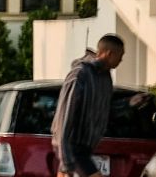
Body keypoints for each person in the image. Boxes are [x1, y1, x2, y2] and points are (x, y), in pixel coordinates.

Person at [54, 35, 128, 177]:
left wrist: (129, 103)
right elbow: (65, 116)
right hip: (71, 147)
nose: (121, 60)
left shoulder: (105, 78)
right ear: (109, 53)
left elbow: (107, 110)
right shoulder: (80, 74)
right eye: (120, 55)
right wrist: (66, 162)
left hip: (85, 148)